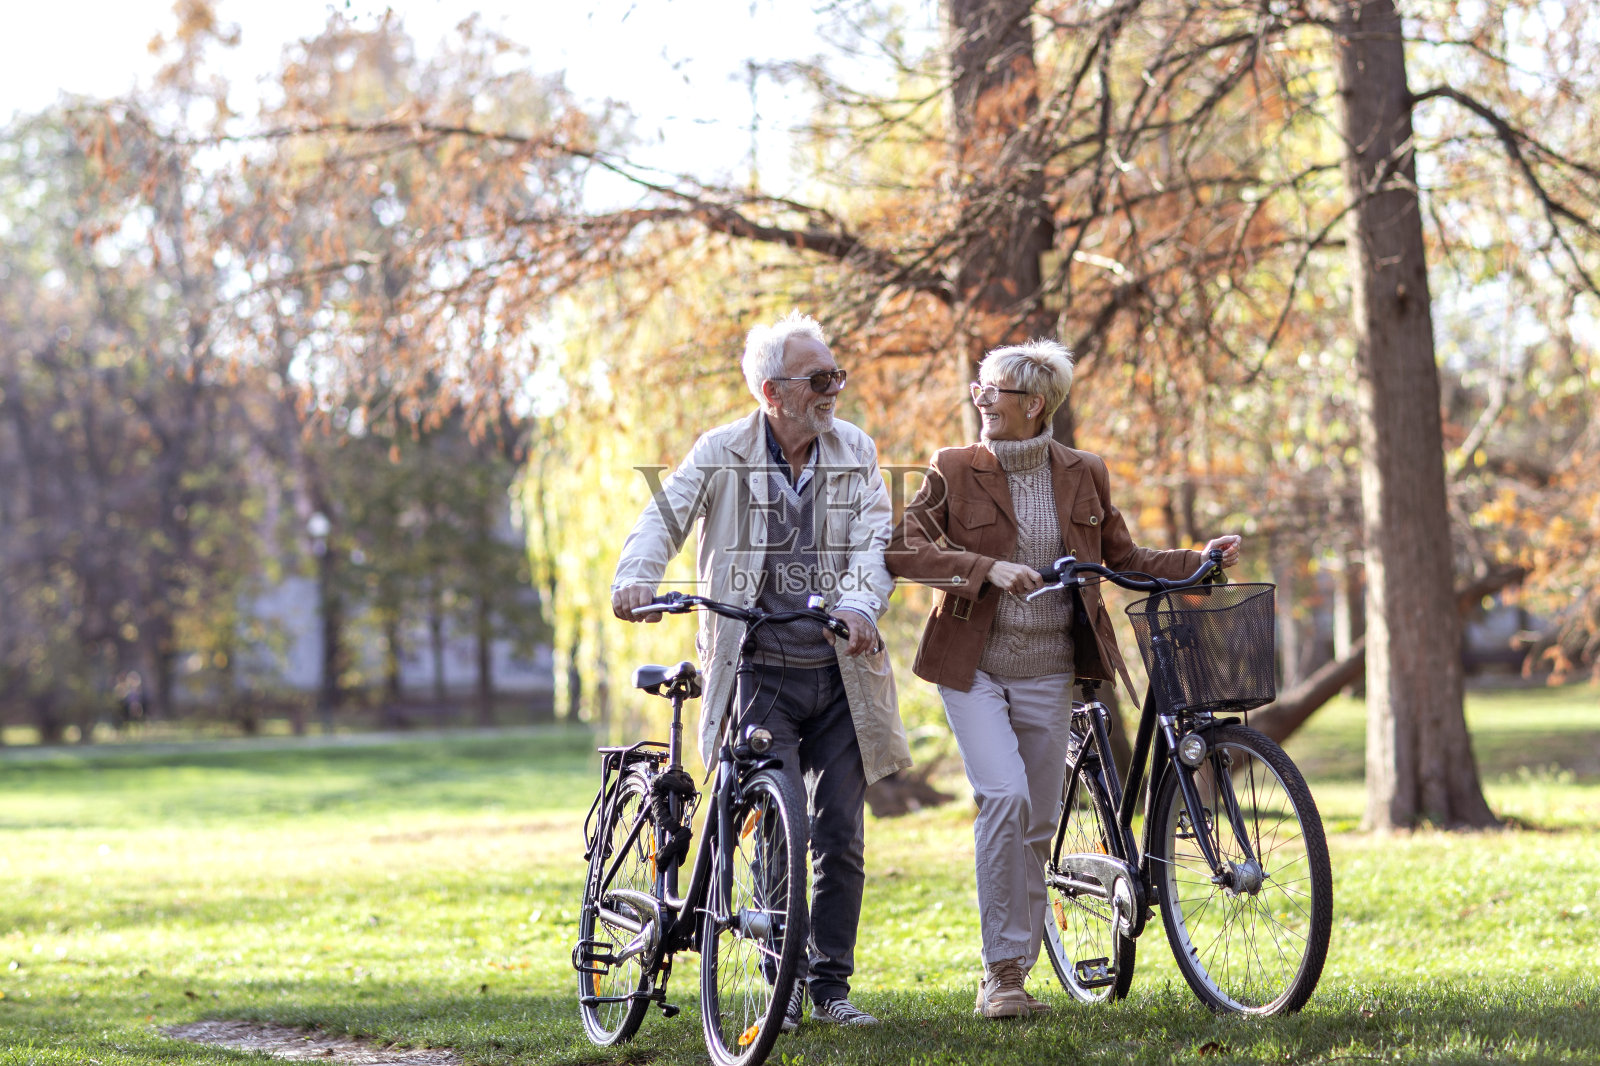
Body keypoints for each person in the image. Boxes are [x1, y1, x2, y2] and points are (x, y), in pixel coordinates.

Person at [886, 339, 1241, 1019]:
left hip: (1050, 668)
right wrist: (985, 569)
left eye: (993, 391)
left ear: (1034, 404)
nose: (980, 400)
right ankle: (1001, 975)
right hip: (972, 666)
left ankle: (1014, 973)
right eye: (979, 389)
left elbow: (1123, 556)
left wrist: (1198, 559)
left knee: (1039, 822)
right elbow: (904, 548)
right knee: (1004, 797)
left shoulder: (1084, 471)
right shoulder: (954, 467)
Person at [611, 311, 910, 1029]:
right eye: (819, 378)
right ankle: (782, 982)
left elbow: (875, 542)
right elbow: (664, 516)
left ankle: (829, 988)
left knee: (841, 833)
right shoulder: (721, 450)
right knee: (779, 826)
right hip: (758, 671)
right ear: (773, 392)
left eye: (836, 375)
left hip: (840, 671)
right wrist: (637, 576)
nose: (833, 389)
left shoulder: (855, 449)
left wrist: (861, 607)